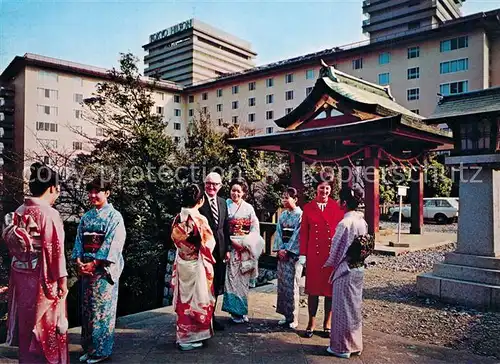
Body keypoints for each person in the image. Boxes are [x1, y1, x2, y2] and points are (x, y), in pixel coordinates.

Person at [2, 162, 68, 363]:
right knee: (47, 330)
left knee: (27, 328)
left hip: (22, 278)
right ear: (52, 188)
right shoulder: (49, 213)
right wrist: (63, 283)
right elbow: (55, 251)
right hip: (43, 280)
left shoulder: (19, 211)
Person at [72, 177, 126, 364]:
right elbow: (79, 241)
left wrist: (95, 263)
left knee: (102, 311)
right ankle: (89, 348)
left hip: (103, 271)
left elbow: (113, 243)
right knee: (87, 311)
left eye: (98, 191)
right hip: (87, 269)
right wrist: (79, 262)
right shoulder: (86, 217)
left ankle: (102, 350)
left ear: (107, 193)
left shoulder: (115, 217)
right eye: (91, 191)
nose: (93, 195)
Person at [323, 186, 368, 359]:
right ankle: (355, 344)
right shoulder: (362, 222)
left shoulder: (344, 223)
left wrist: (329, 263)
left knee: (342, 309)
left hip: (345, 269)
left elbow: (335, 250)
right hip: (358, 268)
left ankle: (342, 347)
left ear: (343, 203)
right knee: (354, 308)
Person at [171, 184, 217, 351]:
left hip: (183, 261)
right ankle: (191, 337)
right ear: (200, 200)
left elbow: (176, 241)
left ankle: (184, 335)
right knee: (199, 300)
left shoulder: (177, 218)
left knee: (185, 302)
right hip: (196, 264)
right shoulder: (199, 219)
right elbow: (209, 244)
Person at [299, 172, 344, 338]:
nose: (324, 191)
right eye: (321, 188)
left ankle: (328, 322)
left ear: (330, 190)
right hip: (314, 256)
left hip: (331, 255)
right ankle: (311, 322)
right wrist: (303, 254)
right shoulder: (308, 208)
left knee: (329, 290)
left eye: (327, 188)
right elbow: (304, 233)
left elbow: (340, 232)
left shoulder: (336, 207)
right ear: (316, 190)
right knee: (313, 291)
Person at [222, 178, 264, 324]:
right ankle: (234, 312)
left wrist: (247, 243)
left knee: (243, 281)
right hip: (231, 246)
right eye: (233, 190)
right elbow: (222, 227)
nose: (235, 193)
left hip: (245, 247)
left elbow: (255, 228)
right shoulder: (225, 205)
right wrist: (231, 243)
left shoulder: (249, 208)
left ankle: (242, 310)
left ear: (243, 193)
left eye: (238, 191)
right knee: (232, 280)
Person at [198, 172, 230, 331]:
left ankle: (212, 316)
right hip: (203, 251)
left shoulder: (223, 202)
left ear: (220, 186)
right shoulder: (198, 201)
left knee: (217, 284)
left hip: (221, 251)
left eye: (215, 184)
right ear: (204, 184)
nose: (211, 187)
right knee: (204, 285)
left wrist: (228, 249)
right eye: (208, 183)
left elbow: (226, 227)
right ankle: (202, 318)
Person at [272, 187, 303, 329]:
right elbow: (278, 233)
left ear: (295, 199)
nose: (284, 200)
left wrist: (288, 250)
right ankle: (286, 315)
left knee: (293, 286)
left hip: (292, 255)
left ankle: (294, 317)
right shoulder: (283, 215)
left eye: (287, 198)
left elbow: (298, 234)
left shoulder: (300, 215)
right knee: (283, 286)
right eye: (283, 198)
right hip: (283, 253)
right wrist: (279, 249)